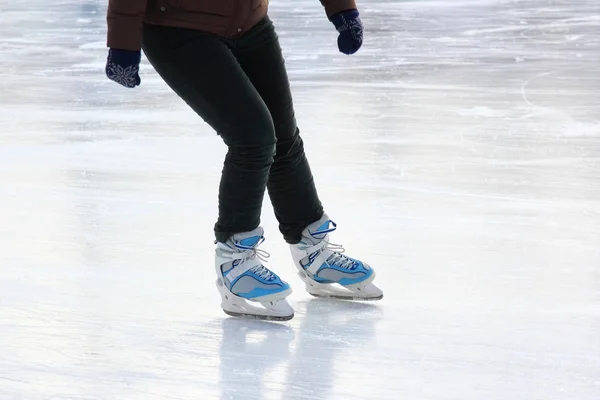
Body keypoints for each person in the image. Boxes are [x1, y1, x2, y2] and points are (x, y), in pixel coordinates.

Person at [105, 0, 382, 321]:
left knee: (284, 137)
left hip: (250, 24)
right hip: (180, 30)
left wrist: (342, 10)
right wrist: (123, 43)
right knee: (253, 138)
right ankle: (235, 263)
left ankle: (313, 251)